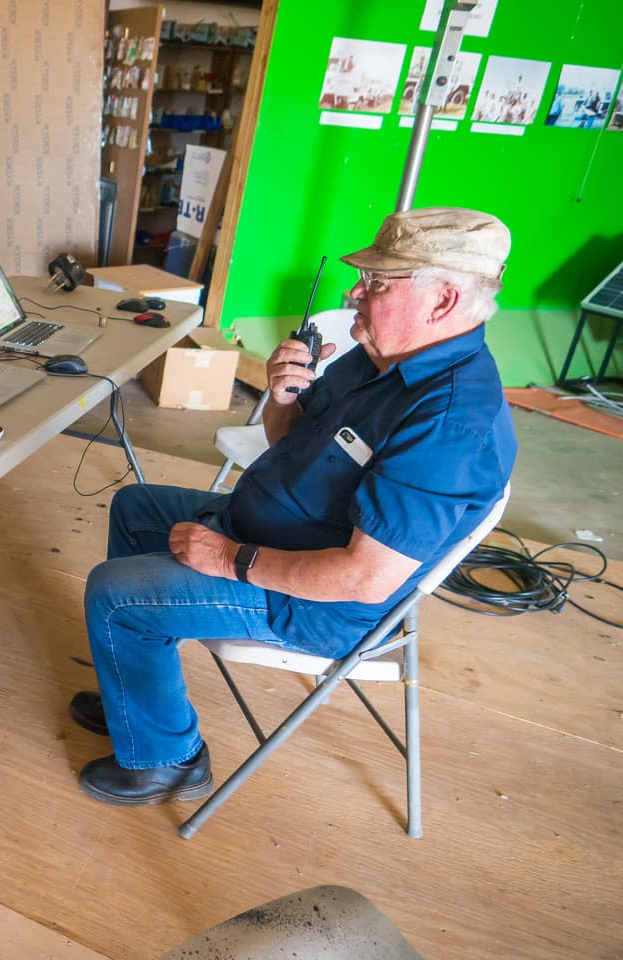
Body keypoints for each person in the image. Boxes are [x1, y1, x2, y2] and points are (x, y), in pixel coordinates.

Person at [70, 207, 518, 806]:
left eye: (378, 285)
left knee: (115, 596)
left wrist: (230, 558)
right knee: (136, 506)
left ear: (442, 302)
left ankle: (168, 760)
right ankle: (137, 695)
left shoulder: (450, 425)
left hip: (314, 601)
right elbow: (291, 442)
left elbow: (363, 579)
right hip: (269, 536)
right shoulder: (381, 357)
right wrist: (282, 396)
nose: (354, 293)